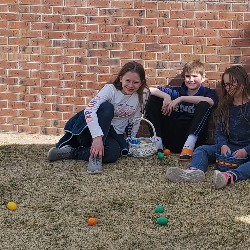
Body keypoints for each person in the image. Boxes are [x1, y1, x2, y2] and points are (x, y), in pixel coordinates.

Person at [48, 61, 148, 174]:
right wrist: (97, 138)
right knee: (107, 107)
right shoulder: (110, 89)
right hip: (90, 131)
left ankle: (71, 152)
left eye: (135, 82)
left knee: (113, 154)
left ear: (141, 83)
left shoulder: (142, 95)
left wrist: (133, 139)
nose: (130, 85)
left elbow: (136, 120)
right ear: (121, 78)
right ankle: (95, 157)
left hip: (113, 135)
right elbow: (89, 109)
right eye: (127, 80)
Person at [166, 65, 250, 189]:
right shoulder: (225, 106)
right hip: (229, 147)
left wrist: (246, 151)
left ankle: (230, 176)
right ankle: (194, 171)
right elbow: (220, 132)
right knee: (201, 149)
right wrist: (223, 145)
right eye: (226, 85)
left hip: (246, 149)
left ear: (242, 82)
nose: (228, 88)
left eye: (232, 83)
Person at [146, 60, 218, 160]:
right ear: (184, 78)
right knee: (154, 99)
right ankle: (157, 143)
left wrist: (181, 98)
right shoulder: (177, 92)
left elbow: (210, 101)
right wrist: (166, 96)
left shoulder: (207, 92)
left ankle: (188, 147)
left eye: (195, 76)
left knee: (204, 104)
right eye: (188, 76)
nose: (191, 79)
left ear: (203, 78)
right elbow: (149, 89)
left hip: (194, 142)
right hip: (172, 139)